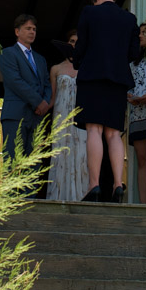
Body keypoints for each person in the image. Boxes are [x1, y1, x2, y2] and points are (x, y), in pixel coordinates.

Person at [74, 0, 140, 203]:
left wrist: (78, 60)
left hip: (92, 76)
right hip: (118, 80)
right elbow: (134, 51)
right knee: (113, 133)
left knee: (94, 130)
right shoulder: (129, 19)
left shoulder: (90, 12)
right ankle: (117, 184)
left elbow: (81, 45)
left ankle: (94, 185)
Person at [0, 14, 52, 195]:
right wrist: (39, 102)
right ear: (17, 31)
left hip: (36, 117)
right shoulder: (8, 53)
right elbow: (15, 81)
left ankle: (32, 199)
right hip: (15, 114)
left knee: (34, 160)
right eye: (28, 28)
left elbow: (46, 84)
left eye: (34, 29)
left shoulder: (41, 59)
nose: (32, 32)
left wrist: (45, 103)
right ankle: (12, 200)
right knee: (14, 157)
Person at [45, 37, 87, 201]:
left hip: (81, 115)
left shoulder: (86, 66)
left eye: (77, 40)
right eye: (71, 40)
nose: (74, 43)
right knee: (61, 152)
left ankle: (81, 196)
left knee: (82, 154)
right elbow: (53, 97)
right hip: (61, 114)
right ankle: (58, 195)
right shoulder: (55, 69)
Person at [127, 22, 146, 204]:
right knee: (142, 159)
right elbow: (127, 84)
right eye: (140, 32)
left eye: (145, 32)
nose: (140, 36)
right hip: (136, 114)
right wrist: (129, 95)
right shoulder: (133, 62)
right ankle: (143, 202)